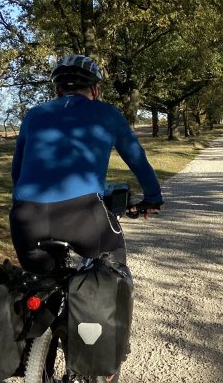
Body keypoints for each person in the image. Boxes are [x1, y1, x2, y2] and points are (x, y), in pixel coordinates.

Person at [10, 54, 163, 274]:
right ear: (95, 90)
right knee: (113, 267)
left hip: (26, 218)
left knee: (37, 286)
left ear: (58, 91)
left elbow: (17, 172)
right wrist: (153, 199)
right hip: (83, 216)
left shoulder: (33, 116)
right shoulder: (108, 114)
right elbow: (138, 161)